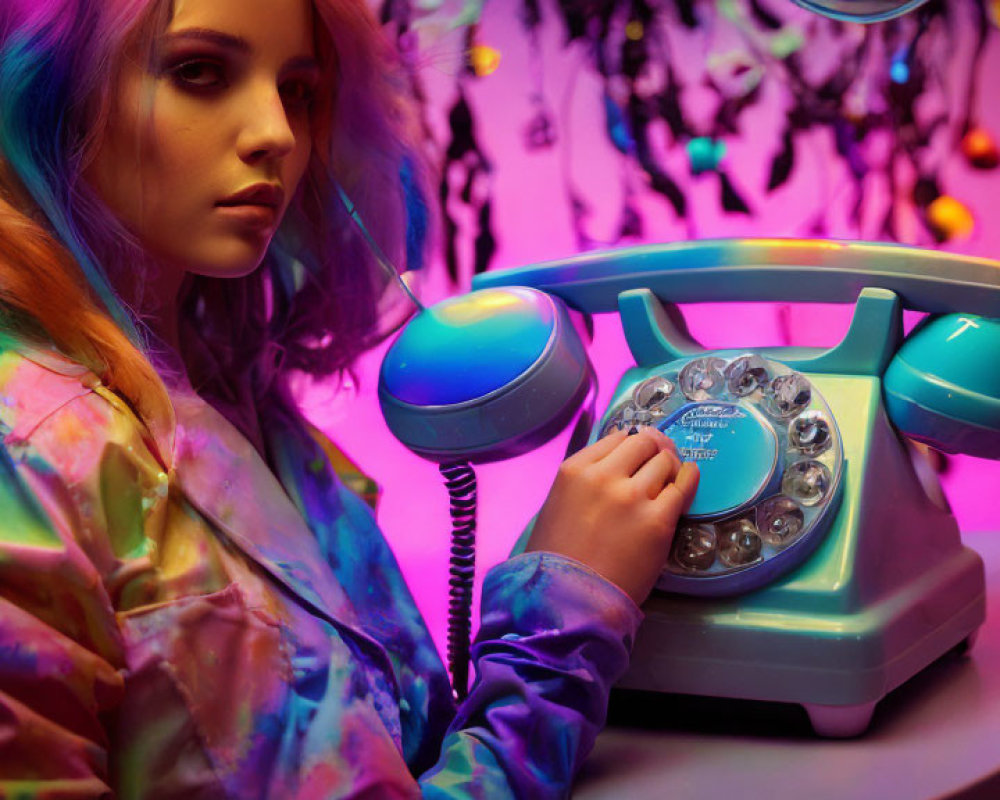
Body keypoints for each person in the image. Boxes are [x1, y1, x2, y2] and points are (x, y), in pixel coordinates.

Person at [0, 0, 698, 796]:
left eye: (297, 89)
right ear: (42, 92)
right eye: (199, 71)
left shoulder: (242, 405)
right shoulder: (27, 451)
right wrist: (557, 626)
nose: (277, 134)